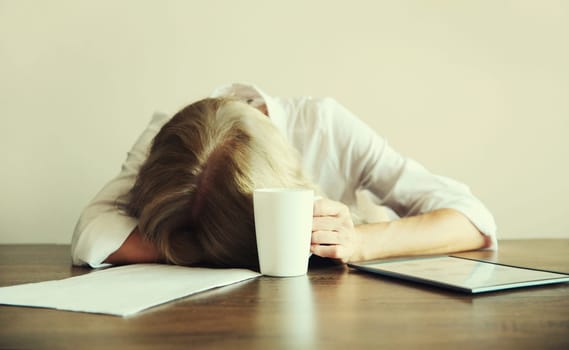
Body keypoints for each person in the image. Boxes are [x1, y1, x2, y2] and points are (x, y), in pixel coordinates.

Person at [71, 83, 497, 269]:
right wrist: (200, 245)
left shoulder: (326, 127)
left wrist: (361, 241)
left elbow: (474, 219)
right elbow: (91, 234)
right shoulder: (162, 144)